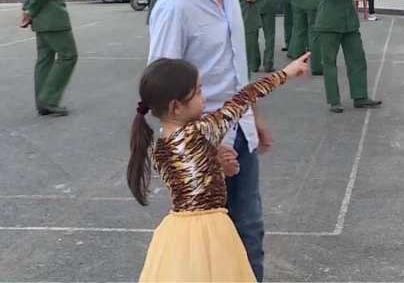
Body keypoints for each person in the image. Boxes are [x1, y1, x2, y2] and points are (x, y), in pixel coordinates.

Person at [148, 0, 276, 282]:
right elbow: (160, 91)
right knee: (207, 243)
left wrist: (254, 118)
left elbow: (235, 69)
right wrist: (202, 150)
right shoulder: (175, 6)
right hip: (205, 143)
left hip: (240, 134)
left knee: (248, 232)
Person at [129, 54, 310, 282]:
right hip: (211, 230)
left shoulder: (158, 149)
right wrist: (288, 72)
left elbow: (192, 182)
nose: (204, 98)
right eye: (198, 92)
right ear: (176, 106)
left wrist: (215, 167)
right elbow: (243, 99)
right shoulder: (203, 132)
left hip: (177, 234)